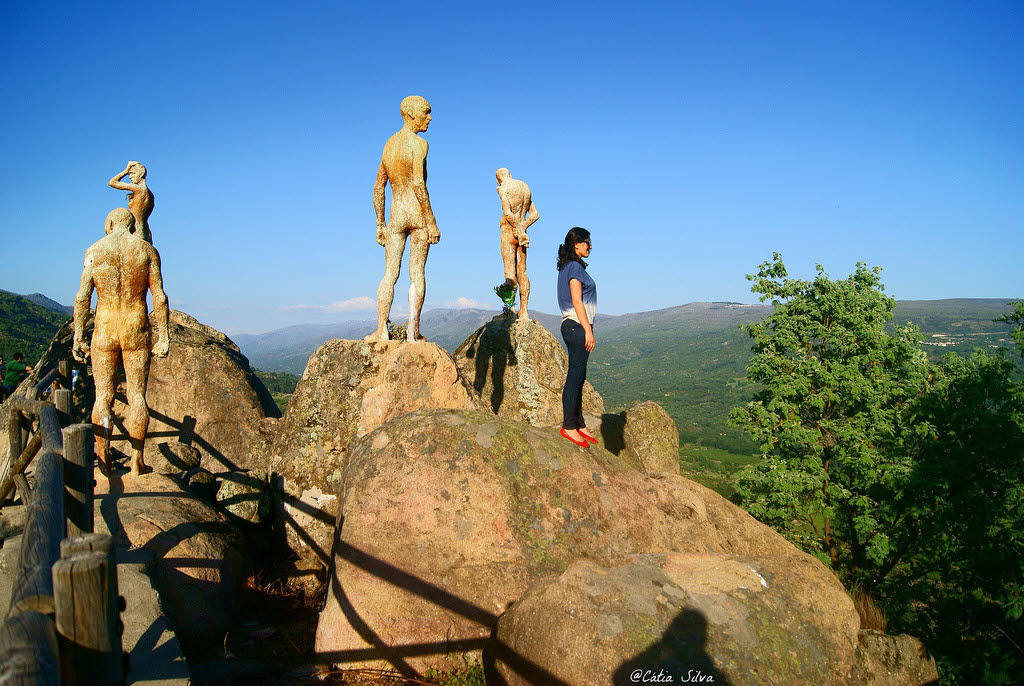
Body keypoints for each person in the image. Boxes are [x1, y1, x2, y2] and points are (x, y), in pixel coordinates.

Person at [73, 207, 170, 476]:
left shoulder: (93, 251)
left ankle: (104, 461)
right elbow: (159, 296)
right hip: (134, 323)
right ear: (129, 225)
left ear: (110, 223)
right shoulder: (146, 251)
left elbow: (83, 297)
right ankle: (136, 462)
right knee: (137, 395)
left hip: (105, 325)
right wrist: (163, 336)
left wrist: (79, 334)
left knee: (103, 395)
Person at [365, 95, 440, 342]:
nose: (429, 118)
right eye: (426, 112)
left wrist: (380, 223)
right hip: (417, 214)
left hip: (396, 215)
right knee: (416, 273)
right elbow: (418, 183)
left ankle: (381, 330)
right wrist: (431, 221)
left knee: (389, 273)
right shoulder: (419, 144)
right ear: (410, 114)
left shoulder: (389, 144)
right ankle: (412, 331)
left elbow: (378, 187)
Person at [556, 227, 597, 447]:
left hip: (574, 326)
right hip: (577, 325)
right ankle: (569, 426)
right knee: (575, 377)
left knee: (579, 376)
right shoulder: (573, 267)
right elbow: (577, 300)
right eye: (587, 242)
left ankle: (578, 423)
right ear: (576, 244)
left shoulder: (571, 267)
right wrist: (588, 330)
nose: (590, 246)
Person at [495, 167, 540, 319]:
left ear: (498, 179)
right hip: (522, 233)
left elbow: (507, 213)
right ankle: (524, 310)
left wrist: (517, 228)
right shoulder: (524, 186)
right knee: (523, 270)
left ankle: (510, 311)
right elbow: (535, 214)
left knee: (510, 271)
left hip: (509, 231)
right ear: (510, 174)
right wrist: (523, 227)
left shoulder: (503, 188)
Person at [108, 161, 155, 244]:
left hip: (135, 230)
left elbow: (112, 182)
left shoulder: (139, 189)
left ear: (141, 174)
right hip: (145, 231)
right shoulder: (150, 194)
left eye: (132, 173)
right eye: (129, 174)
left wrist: (125, 171)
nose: (129, 177)